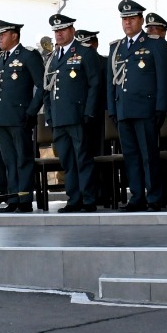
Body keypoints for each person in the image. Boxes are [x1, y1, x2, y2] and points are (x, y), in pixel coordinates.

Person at [109, 0, 167, 211]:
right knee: (131, 157)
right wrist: (113, 109)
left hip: (146, 109)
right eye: (124, 19)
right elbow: (111, 82)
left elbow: (163, 78)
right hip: (123, 110)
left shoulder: (154, 43)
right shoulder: (116, 47)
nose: (127, 22)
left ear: (141, 20)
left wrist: (160, 107)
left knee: (148, 156)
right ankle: (136, 197)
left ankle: (154, 197)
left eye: (132, 18)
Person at [44, 14, 99, 213]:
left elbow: (94, 84)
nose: (59, 34)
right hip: (59, 118)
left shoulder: (84, 52)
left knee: (83, 159)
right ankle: (73, 199)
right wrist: (49, 115)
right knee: (67, 161)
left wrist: (89, 112)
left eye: (62, 30)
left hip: (78, 116)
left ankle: (88, 199)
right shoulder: (52, 57)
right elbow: (47, 88)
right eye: (56, 31)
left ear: (72, 30)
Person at [0, 19, 44, 213]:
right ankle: (12, 199)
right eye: (0, 35)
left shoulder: (28, 55)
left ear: (14, 36)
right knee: (9, 161)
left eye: (3, 35)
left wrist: (31, 111)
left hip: (20, 116)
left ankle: (25, 199)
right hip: (2, 117)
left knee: (23, 159)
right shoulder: (1, 59)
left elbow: (42, 86)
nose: (0, 38)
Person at [75, 28, 108, 208]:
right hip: (82, 116)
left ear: (95, 44)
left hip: (100, 116)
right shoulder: (76, 61)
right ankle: (84, 193)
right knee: (82, 156)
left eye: (88, 44)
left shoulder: (104, 62)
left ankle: (102, 192)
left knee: (99, 155)